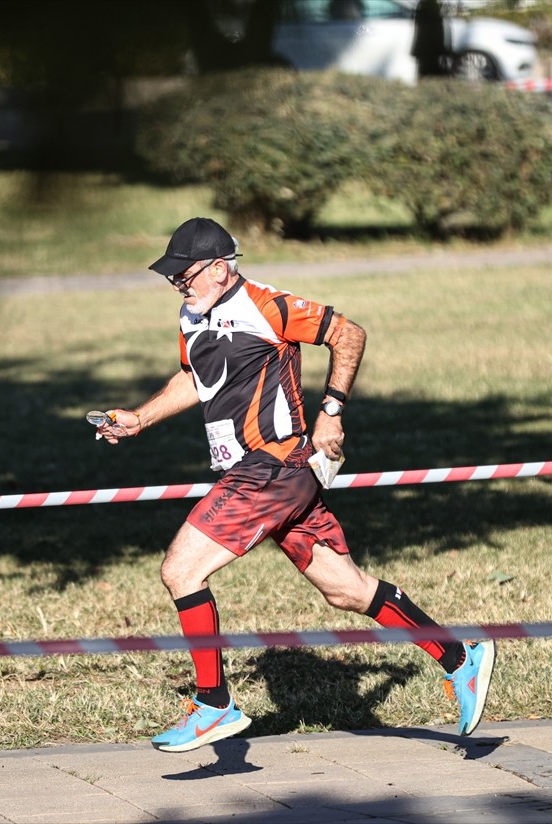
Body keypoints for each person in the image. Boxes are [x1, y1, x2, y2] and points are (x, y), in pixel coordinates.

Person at [93, 217, 494, 753]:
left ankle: (213, 706)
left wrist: (331, 412)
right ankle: (461, 659)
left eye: (183, 275)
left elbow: (348, 333)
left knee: (181, 569)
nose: (178, 285)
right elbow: (194, 379)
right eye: (172, 278)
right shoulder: (192, 314)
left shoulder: (267, 305)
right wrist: (140, 419)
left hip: (271, 466)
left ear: (218, 268)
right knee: (346, 590)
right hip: (265, 475)